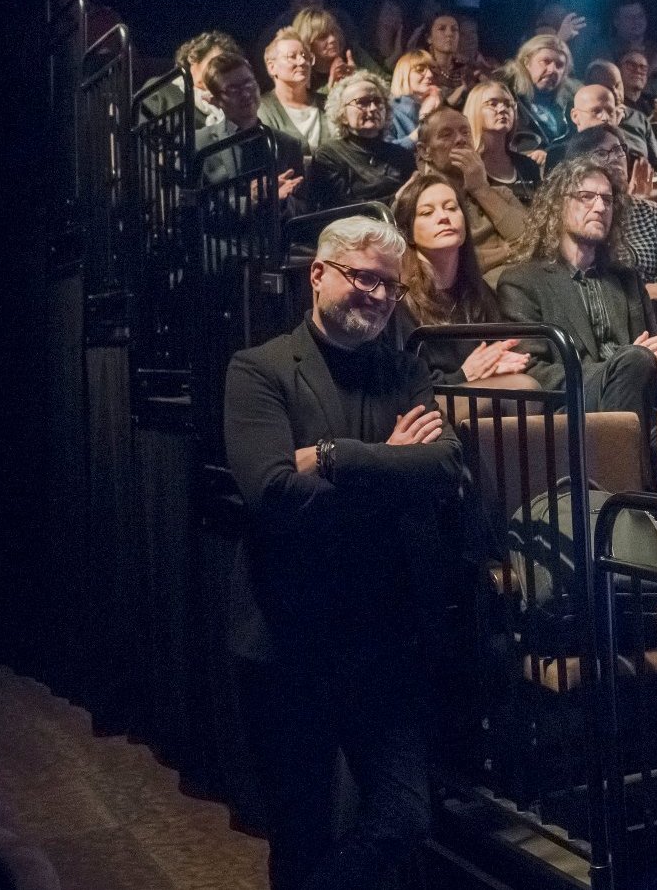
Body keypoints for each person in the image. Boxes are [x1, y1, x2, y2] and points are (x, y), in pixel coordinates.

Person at [223, 215, 462, 890]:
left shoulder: (406, 368)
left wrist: (334, 458)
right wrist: (393, 467)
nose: (380, 296)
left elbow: (445, 469)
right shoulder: (258, 369)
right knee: (299, 832)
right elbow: (270, 492)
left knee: (404, 818)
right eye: (364, 278)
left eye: (390, 284)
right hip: (288, 637)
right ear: (319, 275)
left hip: (385, 637)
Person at [496, 158, 657, 422]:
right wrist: (618, 368)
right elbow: (530, 373)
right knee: (635, 360)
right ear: (557, 205)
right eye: (586, 197)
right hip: (572, 408)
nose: (600, 206)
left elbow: (655, 355)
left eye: (607, 199)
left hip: (638, 401)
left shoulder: (627, 279)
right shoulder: (522, 282)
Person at [388, 170, 530, 385]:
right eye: (427, 213)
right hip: (432, 405)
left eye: (451, 208)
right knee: (523, 387)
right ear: (408, 232)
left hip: (476, 399)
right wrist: (463, 375)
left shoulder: (478, 291)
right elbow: (405, 383)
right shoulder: (399, 300)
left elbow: (497, 350)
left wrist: (499, 364)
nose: (444, 217)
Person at [558, 123, 657, 300]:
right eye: (601, 153)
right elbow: (579, 279)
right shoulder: (577, 213)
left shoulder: (651, 212)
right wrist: (645, 292)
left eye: (618, 150)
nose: (615, 158)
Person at [412, 107, 531, 284]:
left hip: (523, 283)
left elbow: (532, 239)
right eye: (446, 135)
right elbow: (443, 264)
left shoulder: (499, 193)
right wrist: (507, 251)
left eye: (465, 132)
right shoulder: (417, 202)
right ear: (425, 151)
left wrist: (481, 189)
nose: (460, 140)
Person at [195, 52, 306, 202]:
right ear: (215, 101)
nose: (246, 93)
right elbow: (195, 209)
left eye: (249, 83)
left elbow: (303, 207)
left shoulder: (288, 144)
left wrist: (280, 202)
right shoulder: (199, 143)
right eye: (233, 89)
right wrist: (251, 201)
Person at [297, 72, 416, 210]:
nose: (372, 108)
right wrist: (396, 199)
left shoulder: (402, 155)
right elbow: (338, 208)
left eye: (378, 102)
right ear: (342, 114)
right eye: (362, 103)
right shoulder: (329, 154)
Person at [583, 58, 657, 191]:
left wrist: (654, 189)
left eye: (618, 85)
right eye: (607, 87)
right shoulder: (585, 117)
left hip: (644, 189)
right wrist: (610, 126)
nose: (616, 92)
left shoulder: (638, 118)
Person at [463, 80, 544, 204]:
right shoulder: (466, 168)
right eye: (492, 104)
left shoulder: (528, 165)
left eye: (508, 104)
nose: (502, 109)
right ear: (474, 110)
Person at [139, 29, 239, 126]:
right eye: (217, 64)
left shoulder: (230, 109)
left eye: (227, 70)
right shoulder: (160, 89)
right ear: (193, 59)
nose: (221, 73)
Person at [506, 34, 580, 163]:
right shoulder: (507, 95)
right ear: (526, 62)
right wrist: (531, 152)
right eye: (545, 61)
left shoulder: (574, 99)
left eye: (559, 65)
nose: (552, 70)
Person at [599, 0, 657, 102]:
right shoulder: (605, 47)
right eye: (629, 17)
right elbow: (606, 84)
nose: (636, 21)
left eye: (640, 16)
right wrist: (652, 66)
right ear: (617, 22)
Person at [258, 29, 327, 151]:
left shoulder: (327, 104)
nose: (302, 62)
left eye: (305, 56)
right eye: (292, 56)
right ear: (272, 67)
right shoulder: (263, 109)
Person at [291, 7, 372, 93]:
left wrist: (357, 76)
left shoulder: (354, 53)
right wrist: (332, 83)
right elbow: (307, 104)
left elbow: (386, 84)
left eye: (334, 32)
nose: (333, 39)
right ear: (307, 43)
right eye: (322, 37)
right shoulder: (301, 70)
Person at [618, 45, 657, 152]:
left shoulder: (654, 104)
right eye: (631, 65)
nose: (638, 70)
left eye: (643, 68)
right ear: (618, 69)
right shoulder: (612, 104)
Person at [386, 50, 443, 147]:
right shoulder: (389, 112)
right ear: (404, 75)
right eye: (420, 70)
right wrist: (425, 122)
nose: (430, 75)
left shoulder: (438, 108)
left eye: (432, 70)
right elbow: (388, 151)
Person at [364, 0, 406, 72]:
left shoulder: (403, 49)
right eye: (389, 10)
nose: (391, 15)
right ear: (378, 13)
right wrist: (396, 54)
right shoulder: (366, 48)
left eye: (396, 12)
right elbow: (376, 75)